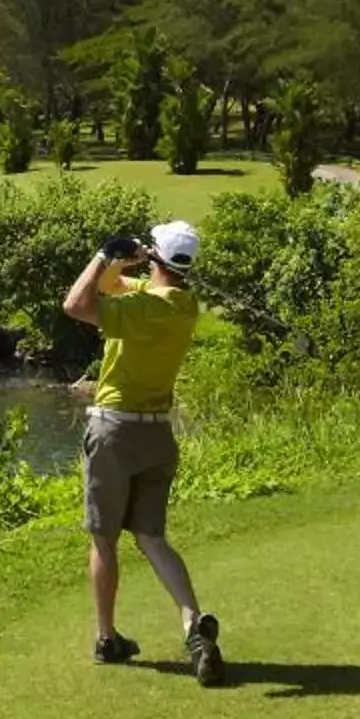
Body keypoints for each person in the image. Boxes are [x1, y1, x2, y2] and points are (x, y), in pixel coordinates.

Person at [62, 217, 224, 686]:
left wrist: (101, 253)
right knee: (152, 538)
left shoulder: (144, 308)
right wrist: (126, 259)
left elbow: (76, 304)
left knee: (104, 539)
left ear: (156, 258)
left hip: (115, 431)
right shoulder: (182, 304)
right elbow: (117, 286)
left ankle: (107, 639)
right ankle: (194, 625)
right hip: (157, 436)